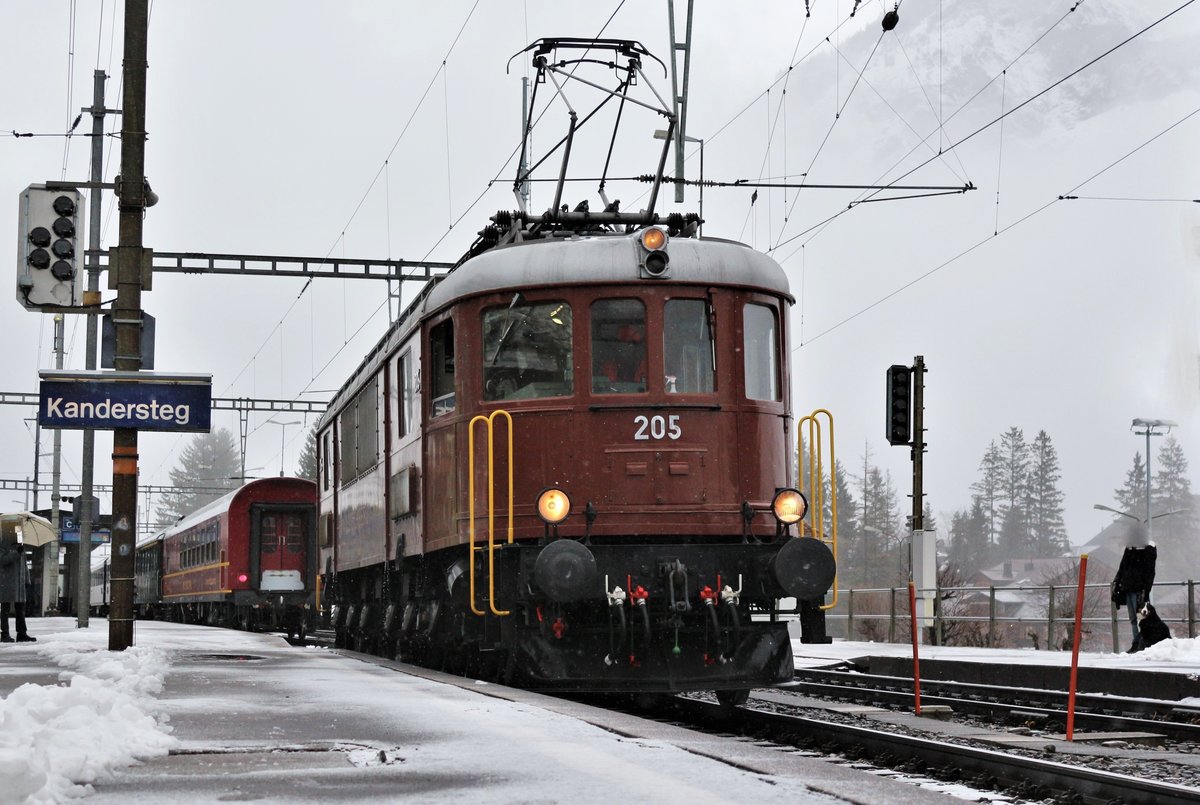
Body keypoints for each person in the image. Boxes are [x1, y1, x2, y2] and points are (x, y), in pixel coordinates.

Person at [1110, 527, 1156, 653]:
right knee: (1134, 618)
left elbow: (1149, 571)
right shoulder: (1131, 548)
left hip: (1137, 588)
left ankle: (1141, 642)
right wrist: (1118, 583)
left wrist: (1146, 590)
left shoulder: (1147, 549)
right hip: (1130, 587)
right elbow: (1123, 567)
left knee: (1140, 617)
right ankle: (1137, 642)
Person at [0, 538, 36, 643]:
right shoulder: (3, 543)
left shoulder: (21, 546)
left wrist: (27, 580)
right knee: (5, 608)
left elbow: (24, 565)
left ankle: (22, 633)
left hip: (20, 583)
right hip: (6, 582)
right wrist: (16, 553)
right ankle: (5, 634)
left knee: (21, 608)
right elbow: (2, 560)